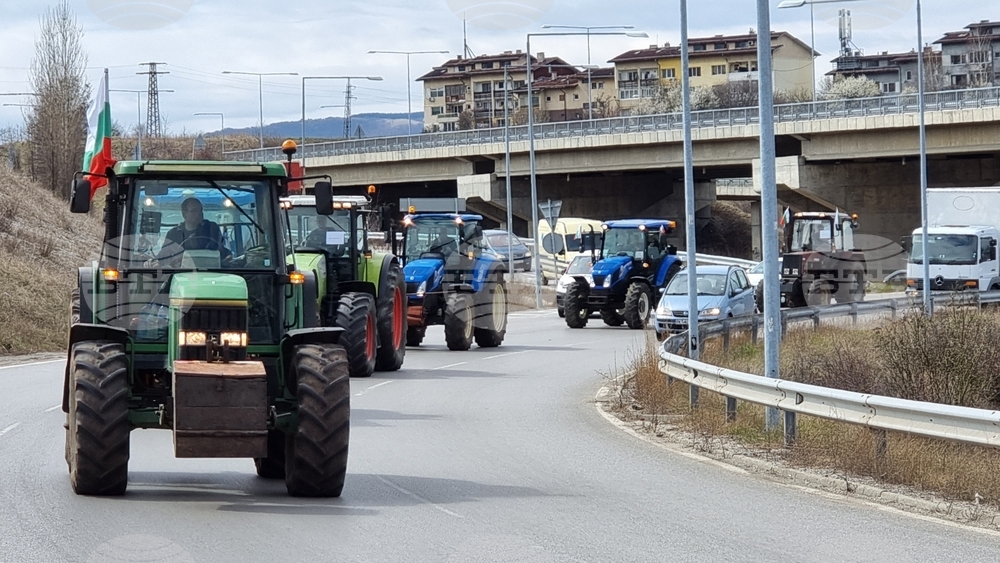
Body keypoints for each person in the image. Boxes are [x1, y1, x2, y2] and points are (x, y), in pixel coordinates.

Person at [150, 197, 231, 267]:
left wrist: (228, 258)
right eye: (194, 211)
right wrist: (153, 262)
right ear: (184, 214)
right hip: (180, 275)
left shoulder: (211, 229)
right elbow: (163, 256)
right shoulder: (173, 234)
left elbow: (221, 250)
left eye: (200, 210)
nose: (199, 214)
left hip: (211, 273)